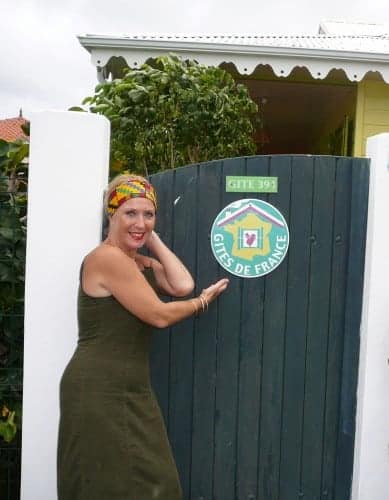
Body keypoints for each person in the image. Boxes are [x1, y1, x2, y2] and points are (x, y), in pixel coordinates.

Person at [57, 173, 229, 500]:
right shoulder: (107, 259)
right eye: (130, 213)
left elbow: (181, 285)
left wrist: (150, 238)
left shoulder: (137, 262)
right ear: (112, 215)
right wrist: (203, 302)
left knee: (153, 481)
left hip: (130, 387)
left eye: (148, 214)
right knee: (105, 483)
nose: (140, 221)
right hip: (97, 387)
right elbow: (160, 315)